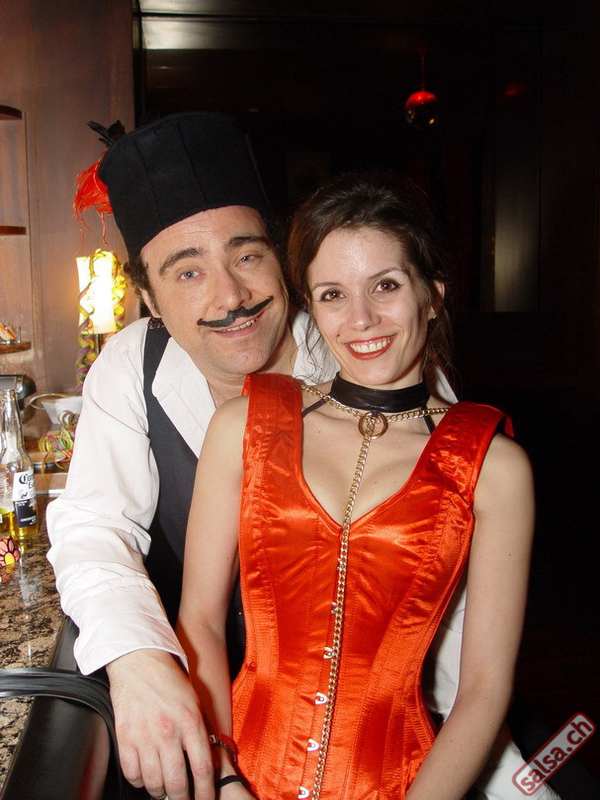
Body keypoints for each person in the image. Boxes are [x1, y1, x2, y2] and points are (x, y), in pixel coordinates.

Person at [47, 113, 558, 800]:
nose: (230, 297)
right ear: (149, 299)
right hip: (209, 707)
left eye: (247, 255)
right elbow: (91, 529)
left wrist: (479, 770)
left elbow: (453, 618)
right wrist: (139, 659)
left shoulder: (376, 355)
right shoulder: (130, 365)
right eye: (188, 271)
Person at [176, 173, 535, 799]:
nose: (361, 318)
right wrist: (223, 778)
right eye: (333, 294)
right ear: (311, 308)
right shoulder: (243, 425)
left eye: (386, 285)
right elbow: (200, 621)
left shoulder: (494, 466)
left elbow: (484, 690)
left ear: (432, 295)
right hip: (241, 774)